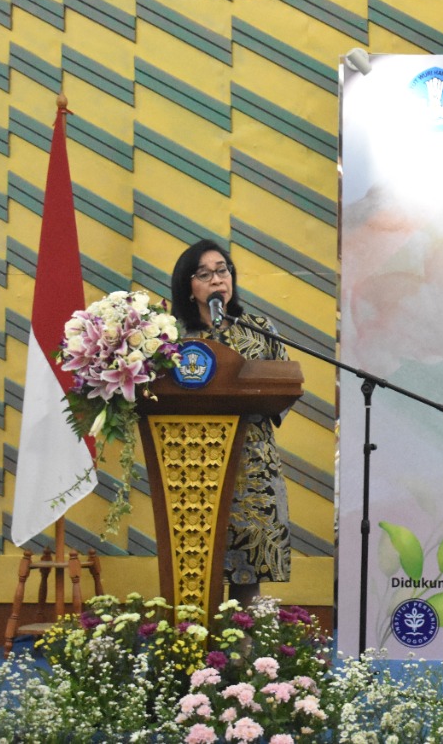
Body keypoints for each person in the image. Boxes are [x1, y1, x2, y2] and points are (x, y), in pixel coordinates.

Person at [170, 239, 292, 608]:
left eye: (222, 270)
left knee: (248, 573)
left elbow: (286, 383)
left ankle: (246, 643)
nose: (217, 279)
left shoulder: (260, 330)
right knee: (196, 568)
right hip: (192, 467)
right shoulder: (174, 338)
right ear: (188, 287)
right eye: (204, 274)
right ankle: (193, 641)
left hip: (252, 465)